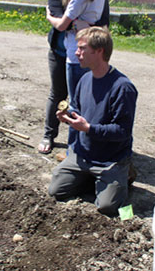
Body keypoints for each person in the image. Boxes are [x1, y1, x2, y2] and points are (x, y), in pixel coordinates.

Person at [48, 27, 138, 216]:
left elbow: (122, 131)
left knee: (108, 209)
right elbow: (79, 112)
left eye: (82, 48)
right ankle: (98, 181)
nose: (76, 53)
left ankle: (123, 178)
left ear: (99, 51)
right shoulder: (85, 79)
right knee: (56, 191)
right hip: (83, 155)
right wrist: (68, 118)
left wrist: (88, 128)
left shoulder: (123, 87)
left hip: (110, 159)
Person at [39, 0, 110, 154]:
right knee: (58, 93)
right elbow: (58, 17)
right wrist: (80, 23)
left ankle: (84, 140)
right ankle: (49, 134)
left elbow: (102, 21)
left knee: (85, 98)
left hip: (85, 55)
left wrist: (77, 24)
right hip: (59, 51)